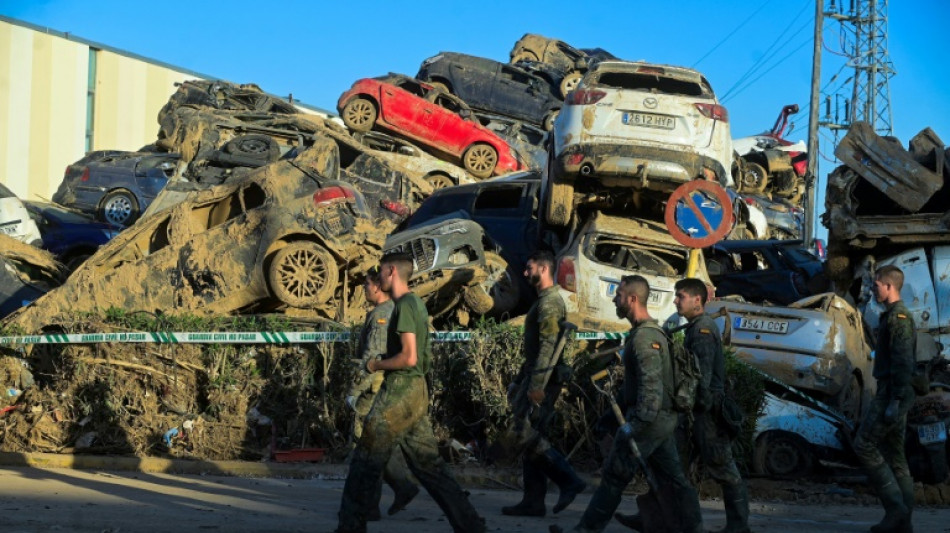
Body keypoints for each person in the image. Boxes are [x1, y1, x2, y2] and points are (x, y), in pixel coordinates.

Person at [335, 252, 485, 533]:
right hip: (416, 391)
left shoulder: (404, 305)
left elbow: (408, 357)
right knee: (430, 466)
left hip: (400, 389)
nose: (378, 277)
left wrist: (374, 364)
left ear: (391, 271)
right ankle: (472, 526)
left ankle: (349, 527)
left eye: (381, 271)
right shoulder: (414, 303)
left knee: (365, 460)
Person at [556, 275, 703, 533]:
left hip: (649, 421)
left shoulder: (645, 338)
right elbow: (634, 388)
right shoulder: (642, 333)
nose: (615, 299)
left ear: (633, 299)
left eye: (619, 295)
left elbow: (651, 389)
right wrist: (610, 419)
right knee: (674, 480)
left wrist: (632, 427)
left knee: (615, 475)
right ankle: (694, 528)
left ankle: (585, 529)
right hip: (659, 421)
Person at [615, 278, 750, 532]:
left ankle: (738, 526)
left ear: (697, 300)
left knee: (723, 468)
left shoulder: (702, 331)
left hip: (705, 415)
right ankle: (654, 517)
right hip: (695, 413)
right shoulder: (695, 328)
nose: (676, 301)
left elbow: (701, 379)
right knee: (671, 468)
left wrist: (686, 407)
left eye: (681, 296)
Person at [501, 250, 586, 517]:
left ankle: (568, 480)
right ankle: (533, 501)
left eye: (530, 268)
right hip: (537, 376)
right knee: (530, 437)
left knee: (527, 435)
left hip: (545, 380)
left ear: (544, 269)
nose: (525, 272)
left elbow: (548, 347)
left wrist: (536, 385)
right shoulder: (543, 301)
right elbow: (534, 351)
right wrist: (520, 381)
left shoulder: (549, 304)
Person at [344, 267, 419, 520]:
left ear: (377, 286)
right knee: (374, 444)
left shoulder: (381, 315)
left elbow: (372, 357)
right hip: (382, 385)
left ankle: (374, 502)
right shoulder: (391, 310)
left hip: (373, 387)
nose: (364, 289)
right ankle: (398, 488)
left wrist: (355, 390)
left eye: (366, 284)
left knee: (366, 446)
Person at [854, 265, 916, 533]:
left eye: (876, 285)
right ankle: (903, 523)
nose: (873, 289)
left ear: (889, 286)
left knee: (864, 445)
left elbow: (903, 362)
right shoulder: (892, 315)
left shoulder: (898, 318)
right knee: (895, 456)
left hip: (893, 392)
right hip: (893, 392)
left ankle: (896, 510)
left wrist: (895, 400)